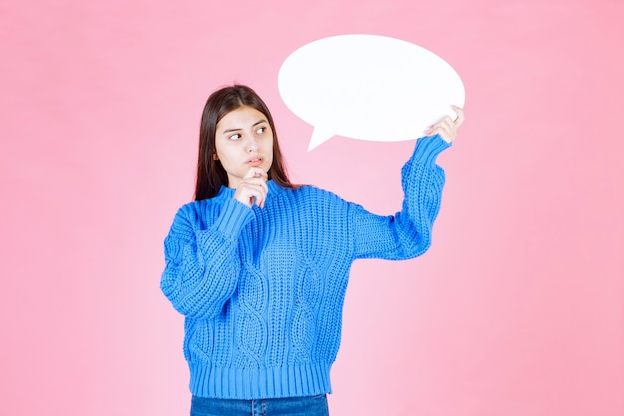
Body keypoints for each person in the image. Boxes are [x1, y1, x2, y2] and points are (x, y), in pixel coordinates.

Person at [161, 84, 464, 416]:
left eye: (261, 130)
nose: (252, 144)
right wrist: (234, 214)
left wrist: (425, 157)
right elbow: (197, 300)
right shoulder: (193, 220)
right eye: (235, 136)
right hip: (215, 403)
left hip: (301, 401)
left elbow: (407, 238)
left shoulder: (319, 209)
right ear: (214, 151)